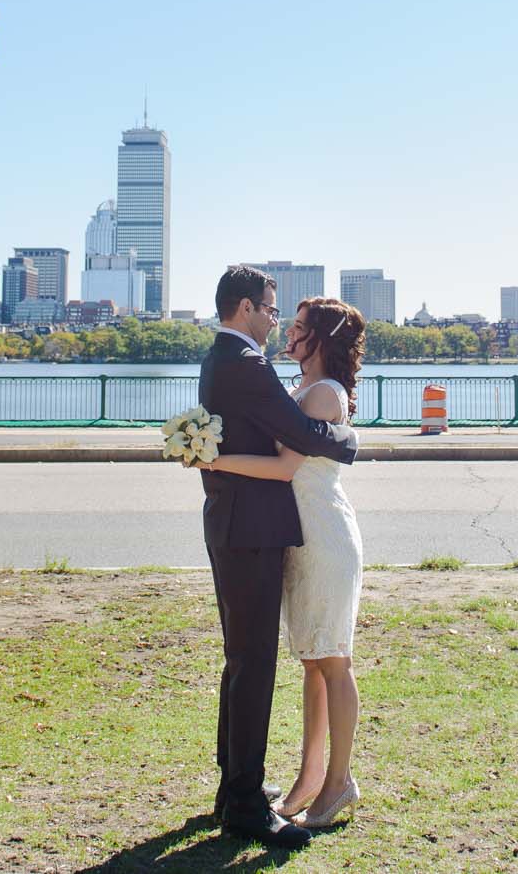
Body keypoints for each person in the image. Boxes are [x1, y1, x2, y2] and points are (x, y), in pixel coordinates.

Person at [194, 265, 359, 850]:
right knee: (253, 663)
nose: (274, 318)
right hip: (252, 529)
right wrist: (351, 442)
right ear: (243, 309)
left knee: (243, 660)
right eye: (268, 308)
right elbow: (302, 434)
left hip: (242, 523)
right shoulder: (245, 364)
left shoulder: (221, 359)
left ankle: (234, 788)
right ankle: (244, 801)